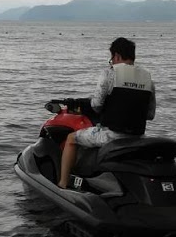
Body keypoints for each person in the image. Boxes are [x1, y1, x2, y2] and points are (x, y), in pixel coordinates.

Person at [57, 37, 156, 188]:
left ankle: (63, 184)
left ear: (116, 56)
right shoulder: (148, 78)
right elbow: (150, 115)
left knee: (71, 139)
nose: (112, 62)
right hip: (138, 137)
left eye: (112, 58)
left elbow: (96, 105)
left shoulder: (110, 73)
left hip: (112, 136)